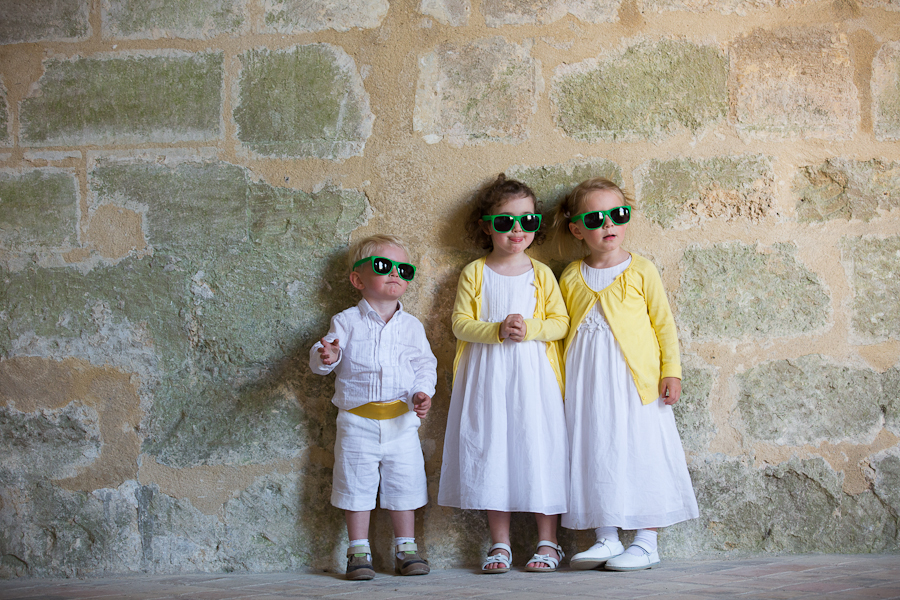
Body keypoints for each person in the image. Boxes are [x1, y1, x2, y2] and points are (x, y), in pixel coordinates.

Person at [553, 178, 699, 571]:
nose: (608, 224)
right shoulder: (569, 277)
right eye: (595, 218)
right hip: (588, 385)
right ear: (577, 229)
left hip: (636, 383)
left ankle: (647, 540)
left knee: (642, 452)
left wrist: (672, 371)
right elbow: (561, 332)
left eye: (618, 215)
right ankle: (606, 537)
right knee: (595, 449)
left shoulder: (641, 270)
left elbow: (663, 325)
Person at [438, 174, 570, 574]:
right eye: (505, 222)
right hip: (488, 376)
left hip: (534, 378)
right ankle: (501, 542)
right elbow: (460, 323)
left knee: (538, 449)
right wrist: (495, 330)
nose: (517, 230)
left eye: (528, 222)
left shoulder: (541, 273)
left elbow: (560, 322)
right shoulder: (475, 272)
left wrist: (531, 328)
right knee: (493, 450)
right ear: (486, 225)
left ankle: (549, 542)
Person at [310, 234, 437, 581]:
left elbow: (424, 364)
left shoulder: (411, 326)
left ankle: (406, 547)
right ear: (358, 279)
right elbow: (324, 356)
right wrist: (328, 356)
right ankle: (357, 550)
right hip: (357, 421)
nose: (395, 273)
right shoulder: (346, 321)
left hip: (401, 420)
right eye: (384, 266)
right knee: (355, 484)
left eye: (404, 269)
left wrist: (422, 392)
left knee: (405, 483)